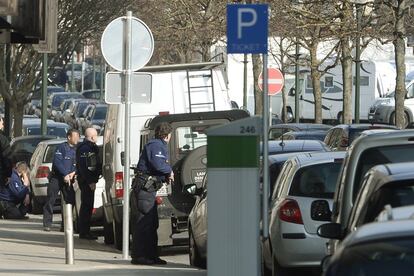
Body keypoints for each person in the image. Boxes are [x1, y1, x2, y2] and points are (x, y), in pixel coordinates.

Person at [131, 122, 174, 265]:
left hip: (149, 190)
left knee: (152, 223)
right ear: (167, 135)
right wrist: (169, 171)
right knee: (144, 223)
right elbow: (158, 164)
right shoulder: (156, 145)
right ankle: (140, 256)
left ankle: (151, 255)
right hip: (145, 189)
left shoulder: (157, 144)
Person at [43, 129, 80, 232]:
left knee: (70, 201)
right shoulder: (62, 147)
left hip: (69, 179)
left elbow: (79, 164)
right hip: (57, 178)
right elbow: (57, 163)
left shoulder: (77, 149)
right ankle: (47, 223)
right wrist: (65, 174)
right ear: (69, 137)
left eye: (78, 136)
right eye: (75, 136)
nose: (77, 138)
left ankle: (66, 225)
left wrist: (73, 173)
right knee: (51, 200)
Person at [76, 128, 101, 240]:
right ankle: (84, 232)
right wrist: (90, 181)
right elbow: (84, 167)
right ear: (91, 137)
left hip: (87, 181)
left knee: (88, 205)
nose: (97, 137)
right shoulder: (86, 149)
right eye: (96, 135)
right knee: (86, 206)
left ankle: (86, 231)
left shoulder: (89, 147)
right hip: (86, 182)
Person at [0, 116, 12, 186]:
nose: (3, 124)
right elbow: (7, 158)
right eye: (1, 122)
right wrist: (8, 175)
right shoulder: (3, 139)